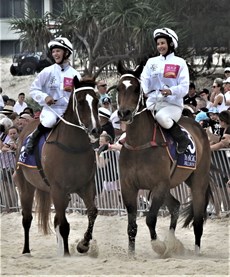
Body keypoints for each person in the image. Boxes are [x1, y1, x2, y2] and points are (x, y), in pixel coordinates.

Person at [24, 37, 81, 154]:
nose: (55, 54)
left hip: (69, 111)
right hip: (52, 110)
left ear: (66, 52)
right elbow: (34, 89)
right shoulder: (47, 71)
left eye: (58, 51)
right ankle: (33, 138)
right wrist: (45, 97)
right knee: (49, 122)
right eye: (53, 51)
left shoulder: (75, 74)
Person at [141, 27, 190, 154]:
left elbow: (184, 87)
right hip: (152, 103)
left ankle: (183, 139)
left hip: (172, 105)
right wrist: (144, 89)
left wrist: (170, 91)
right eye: (158, 44)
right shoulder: (151, 62)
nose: (160, 46)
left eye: (163, 43)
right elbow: (144, 79)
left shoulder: (180, 62)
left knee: (161, 117)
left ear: (171, 44)